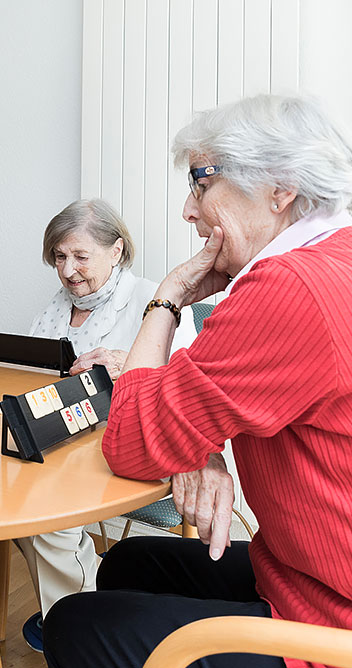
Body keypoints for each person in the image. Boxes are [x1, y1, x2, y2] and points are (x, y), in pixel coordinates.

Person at [43, 94, 352, 668]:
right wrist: (197, 448)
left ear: (280, 188)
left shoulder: (290, 287)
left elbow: (132, 441)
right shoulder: (336, 256)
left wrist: (170, 296)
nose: (189, 208)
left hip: (328, 623)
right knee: (128, 563)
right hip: (298, 573)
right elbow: (205, 398)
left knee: (74, 623)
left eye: (201, 183)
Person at [0, 198, 196, 652]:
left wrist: (126, 363)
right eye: (59, 257)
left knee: (38, 504)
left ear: (116, 250)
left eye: (81, 256)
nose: (68, 270)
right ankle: (78, 602)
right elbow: (38, 380)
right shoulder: (56, 307)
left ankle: (84, 622)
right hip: (66, 442)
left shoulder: (153, 299)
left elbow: (192, 384)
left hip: (130, 443)